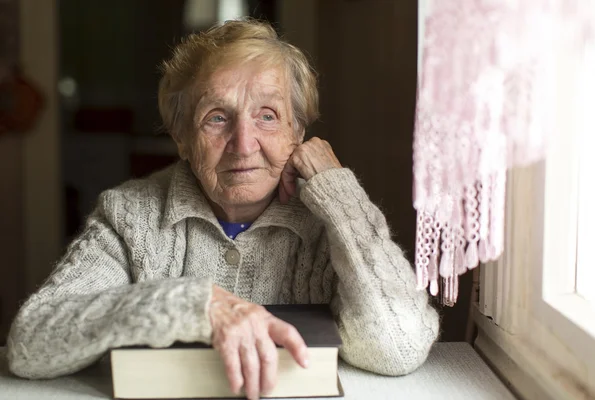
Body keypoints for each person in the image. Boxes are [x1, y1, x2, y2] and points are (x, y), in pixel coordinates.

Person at [7, 19, 439, 400]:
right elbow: (31, 345)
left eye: (268, 116)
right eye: (217, 117)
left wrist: (340, 194)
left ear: (298, 131)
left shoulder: (330, 221)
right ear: (181, 136)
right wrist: (194, 304)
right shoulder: (131, 216)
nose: (244, 143)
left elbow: (397, 347)